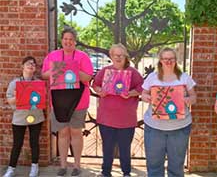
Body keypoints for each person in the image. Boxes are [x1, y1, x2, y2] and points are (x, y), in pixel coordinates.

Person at [41, 27, 93, 177]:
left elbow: (87, 78)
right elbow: (44, 75)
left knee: (76, 132)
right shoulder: (53, 56)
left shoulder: (83, 57)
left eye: (71, 39)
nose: (68, 42)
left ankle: (77, 165)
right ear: (61, 41)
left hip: (79, 101)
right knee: (62, 133)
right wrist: (57, 70)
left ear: (75, 41)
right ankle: (63, 165)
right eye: (65, 39)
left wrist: (72, 69)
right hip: (58, 101)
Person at [141, 47, 197, 177]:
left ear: (176, 60)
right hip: (154, 127)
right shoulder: (152, 77)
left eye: (171, 58)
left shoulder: (184, 77)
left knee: (176, 166)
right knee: (154, 166)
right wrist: (147, 97)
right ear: (160, 60)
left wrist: (186, 100)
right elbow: (143, 94)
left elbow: (194, 97)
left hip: (179, 127)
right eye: (165, 59)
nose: (168, 61)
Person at [92, 43, 143, 177]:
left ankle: (126, 173)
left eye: (121, 55)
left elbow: (142, 87)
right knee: (107, 148)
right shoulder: (105, 71)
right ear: (111, 56)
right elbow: (95, 84)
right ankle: (106, 172)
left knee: (125, 148)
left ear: (126, 56)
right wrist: (100, 91)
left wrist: (131, 93)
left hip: (126, 119)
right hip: (106, 118)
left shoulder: (133, 73)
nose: (119, 57)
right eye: (116, 55)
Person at [3, 56, 45, 177]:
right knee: (17, 144)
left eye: (33, 64)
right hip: (19, 117)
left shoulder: (38, 83)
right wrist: (20, 96)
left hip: (36, 116)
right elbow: (10, 100)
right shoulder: (14, 83)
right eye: (28, 63)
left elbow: (42, 101)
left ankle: (34, 167)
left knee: (34, 142)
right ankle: (11, 168)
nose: (31, 65)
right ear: (22, 66)